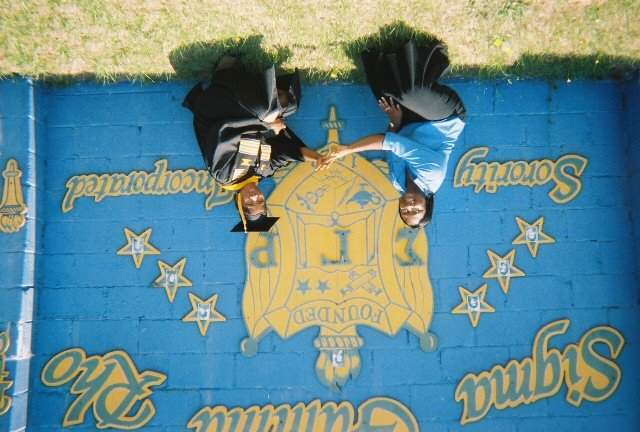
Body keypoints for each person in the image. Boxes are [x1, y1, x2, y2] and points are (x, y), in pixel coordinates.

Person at [317, 40, 466, 228]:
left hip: (409, 122)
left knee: (385, 95)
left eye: (405, 211)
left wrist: (394, 122)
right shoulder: (432, 174)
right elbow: (392, 143)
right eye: (416, 210)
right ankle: (433, 55)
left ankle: (389, 50)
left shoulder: (398, 183)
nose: (409, 207)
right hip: (444, 118)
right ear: (427, 204)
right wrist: (347, 150)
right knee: (410, 93)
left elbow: (392, 144)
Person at [183, 57, 321, 232]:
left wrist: (267, 127)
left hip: (216, 110)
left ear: (239, 202)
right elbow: (286, 154)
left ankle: (226, 70)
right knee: (288, 105)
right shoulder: (262, 172)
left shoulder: (224, 175)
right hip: (242, 112)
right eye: (260, 201)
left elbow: (224, 132)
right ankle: (246, 78)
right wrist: (315, 157)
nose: (255, 197)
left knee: (267, 111)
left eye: (249, 203)